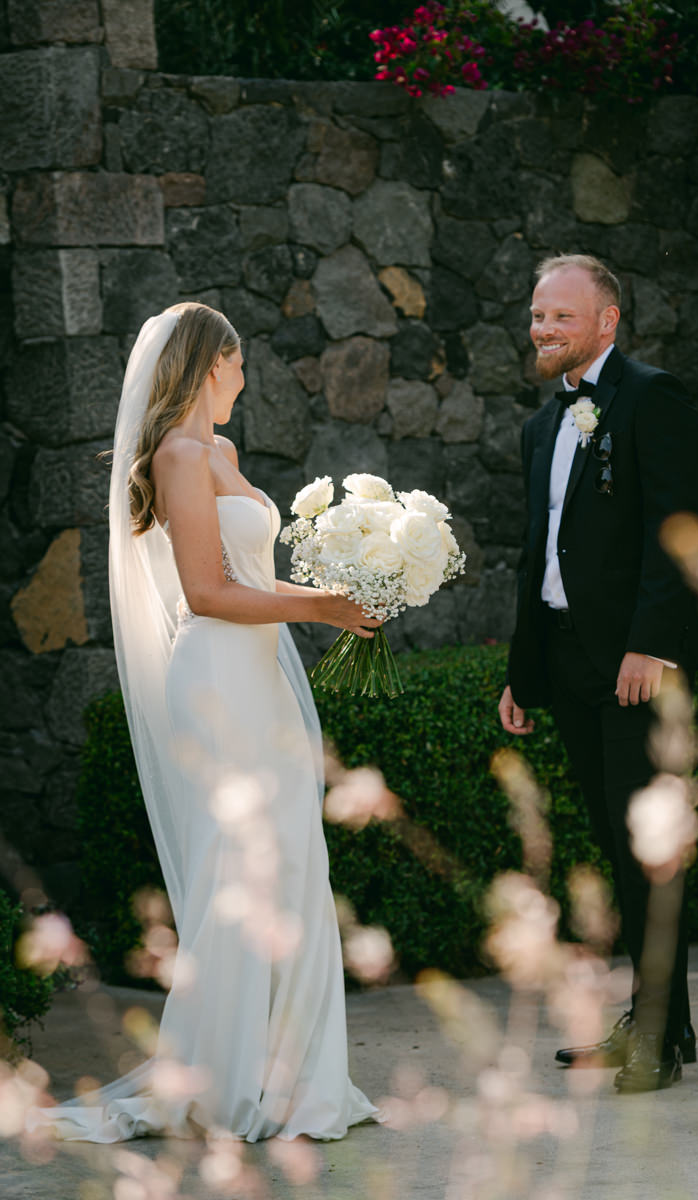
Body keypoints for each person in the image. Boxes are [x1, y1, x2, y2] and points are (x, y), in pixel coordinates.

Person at [28, 302, 379, 1141]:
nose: (245, 379)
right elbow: (207, 592)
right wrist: (323, 607)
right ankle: (224, 1081)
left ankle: (297, 1077)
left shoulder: (222, 452)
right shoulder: (179, 456)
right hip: (217, 678)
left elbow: (248, 574)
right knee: (238, 870)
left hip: (258, 675)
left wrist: (346, 584)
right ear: (210, 363)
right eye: (240, 363)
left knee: (293, 860)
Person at [499, 254, 698, 1094]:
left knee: (646, 852)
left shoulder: (652, 397)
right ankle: (662, 1020)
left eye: (561, 315)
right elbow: (536, 555)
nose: (543, 328)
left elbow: (676, 526)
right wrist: (523, 673)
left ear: (607, 321)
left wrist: (651, 645)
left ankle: (656, 1034)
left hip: (634, 665)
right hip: (566, 662)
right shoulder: (541, 426)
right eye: (537, 315)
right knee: (617, 846)